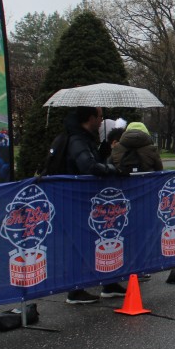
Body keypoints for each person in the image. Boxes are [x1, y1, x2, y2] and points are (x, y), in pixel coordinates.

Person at [60, 106, 123, 304]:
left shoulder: (85, 138)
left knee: (102, 238)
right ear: (90, 118)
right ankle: (75, 290)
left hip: (88, 199)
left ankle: (109, 282)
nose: (102, 120)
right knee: (81, 243)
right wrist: (112, 169)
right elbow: (88, 166)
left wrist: (102, 152)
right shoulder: (77, 139)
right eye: (100, 116)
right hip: (77, 199)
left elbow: (91, 161)